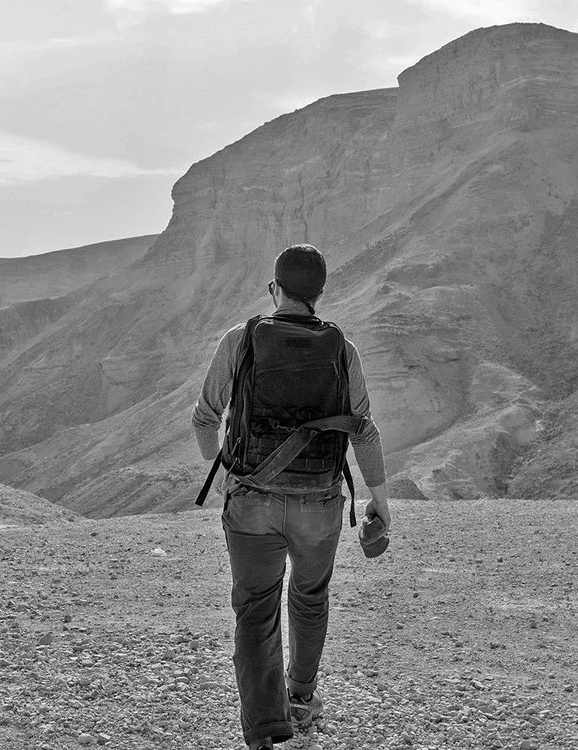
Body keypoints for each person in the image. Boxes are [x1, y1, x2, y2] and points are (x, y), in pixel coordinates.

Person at [191, 243, 391, 750]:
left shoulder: (242, 339)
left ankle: (263, 729)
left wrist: (223, 482)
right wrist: (380, 501)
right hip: (319, 505)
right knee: (309, 597)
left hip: (250, 501)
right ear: (320, 294)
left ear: (273, 289)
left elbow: (205, 419)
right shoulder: (342, 349)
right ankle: (301, 700)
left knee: (255, 608)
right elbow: (363, 430)